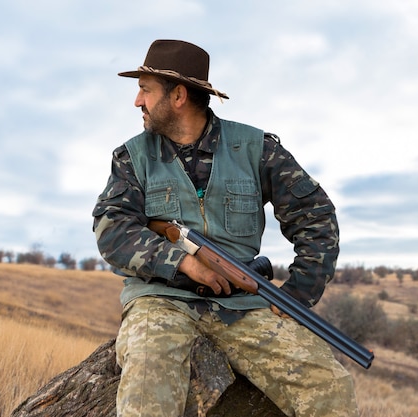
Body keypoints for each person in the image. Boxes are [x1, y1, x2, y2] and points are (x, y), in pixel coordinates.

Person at [92, 39, 358, 417]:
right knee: (147, 393)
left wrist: (299, 292)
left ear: (179, 95)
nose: (138, 101)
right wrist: (182, 262)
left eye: (145, 90)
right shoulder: (133, 156)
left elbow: (315, 214)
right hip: (160, 299)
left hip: (244, 303)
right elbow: (111, 227)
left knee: (329, 386)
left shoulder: (254, 148)